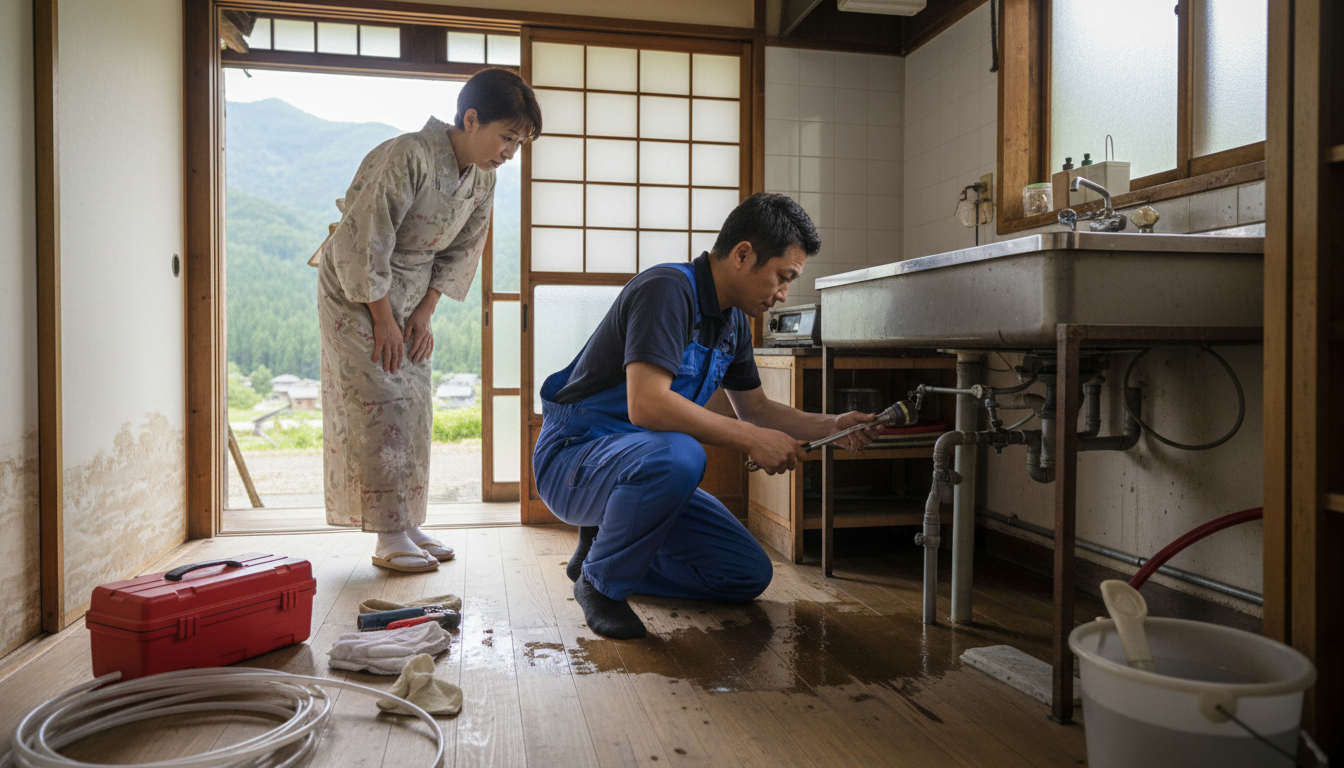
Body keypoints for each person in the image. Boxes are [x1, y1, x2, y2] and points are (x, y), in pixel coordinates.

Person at [533, 193, 884, 639]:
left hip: (643, 468)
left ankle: (601, 554)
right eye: (782, 276)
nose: (782, 294)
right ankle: (602, 586)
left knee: (745, 573)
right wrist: (749, 440)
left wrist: (831, 426)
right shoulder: (667, 290)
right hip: (575, 458)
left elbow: (755, 409)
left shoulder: (733, 323)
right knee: (681, 453)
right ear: (743, 254)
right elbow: (648, 404)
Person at [318, 69, 541, 572]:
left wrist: (423, 314)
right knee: (380, 399)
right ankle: (386, 534)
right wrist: (382, 318)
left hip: (412, 290)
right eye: (507, 137)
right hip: (357, 288)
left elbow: (465, 250)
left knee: (415, 402)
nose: (510, 151)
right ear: (470, 118)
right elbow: (366, 238)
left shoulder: (483, 178)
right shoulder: (407, 156)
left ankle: (407, 521)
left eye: (519, 143)